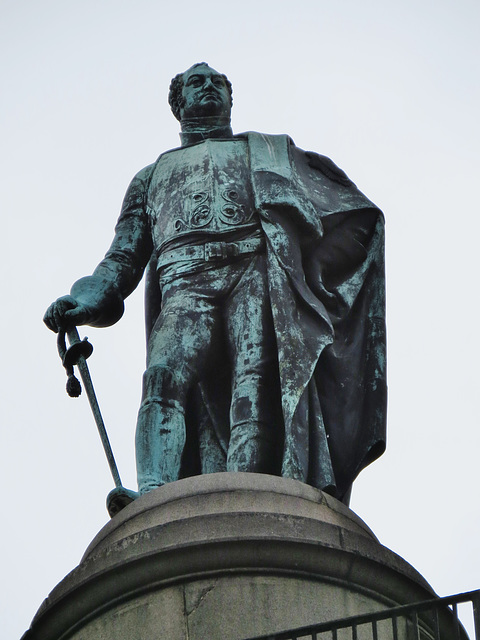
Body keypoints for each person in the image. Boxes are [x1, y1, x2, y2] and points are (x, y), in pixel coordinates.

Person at [44, 63, 387, 505]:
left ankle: (244, 495)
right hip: (185, 283)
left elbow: (349, 214)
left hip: (253, 274)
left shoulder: (267, 152)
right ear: (178, 104)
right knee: (163, 375)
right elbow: (121, 259)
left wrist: (308, 270)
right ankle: (152, 498)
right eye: (196, 82)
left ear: (230, 98)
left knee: (255, 386)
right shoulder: (151, 177)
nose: (208, 87)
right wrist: (83, 300)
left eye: (218, 82)